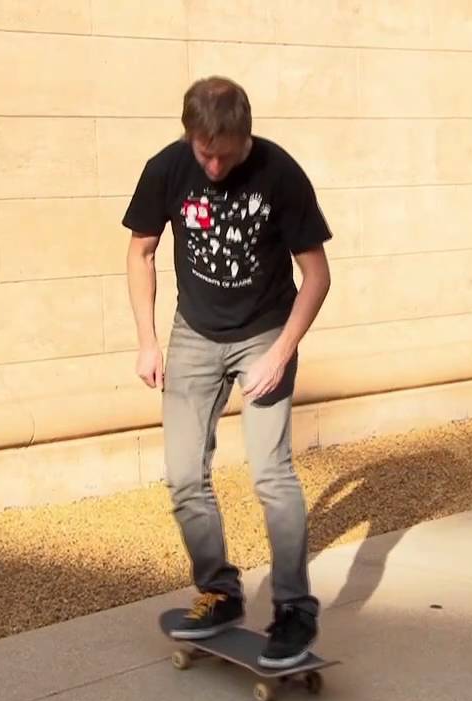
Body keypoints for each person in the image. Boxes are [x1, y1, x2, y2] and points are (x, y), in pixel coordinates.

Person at [121, 76, 332, 669]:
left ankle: (294, 610)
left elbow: (317, 276)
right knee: (184, 476)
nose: (214, 166)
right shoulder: (167, 168)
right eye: (204, 153)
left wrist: (281, 352)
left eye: (227, 154)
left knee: (272, 474)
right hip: (193, 335)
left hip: (265, 333)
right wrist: (147, 341)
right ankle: (219, 591)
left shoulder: (279, 174)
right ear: (189, 136)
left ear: (246, 137)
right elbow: (141, 252)